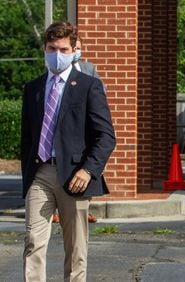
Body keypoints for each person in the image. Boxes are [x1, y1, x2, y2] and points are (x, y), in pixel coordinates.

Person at [21, 22, 116, 281]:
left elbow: (106, 136)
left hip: (74, 176)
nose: (57, 54)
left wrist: (89, 170)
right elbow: (27, 138)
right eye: (52, 48)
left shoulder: (88, 86)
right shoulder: (33, 88)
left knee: (75, 248)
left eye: (63, 49)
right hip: (40, 173)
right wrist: (27, 176)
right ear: (44, 48)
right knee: (33, 242)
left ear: (75, 50)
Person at [52, 35, 102, 224]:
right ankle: (57, 209)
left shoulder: (88, 69)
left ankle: (85, 208)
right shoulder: (55, 71)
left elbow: (99, 91)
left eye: (78, 48)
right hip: (65, 130)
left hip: (85, 129)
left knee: (86, 170)